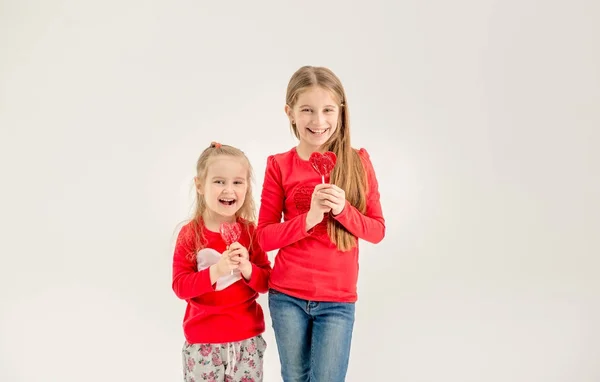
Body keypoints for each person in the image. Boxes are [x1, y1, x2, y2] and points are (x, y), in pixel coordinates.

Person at [256, 66, 386, 381]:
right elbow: (263, 238)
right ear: (290, 113)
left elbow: (377, 231)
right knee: (296, 376)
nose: (318, 121)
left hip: (338, 299)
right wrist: (309, 219)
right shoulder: (279, 165)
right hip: (287, 296)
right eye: (307, 111)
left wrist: (343, 211)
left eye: (327, 110)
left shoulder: (358, 163)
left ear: (340, 110)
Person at [172, 142, 271, 382]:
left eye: (237, 182)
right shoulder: (190, 233)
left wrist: (247, 269)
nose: (229, 190)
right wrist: (216, 270)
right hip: (202, 343)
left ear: (247, 187)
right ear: (199, 185)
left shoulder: (250, 232)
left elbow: (266, 282)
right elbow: (180, 286)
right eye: (219, 181)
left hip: (246, 341)